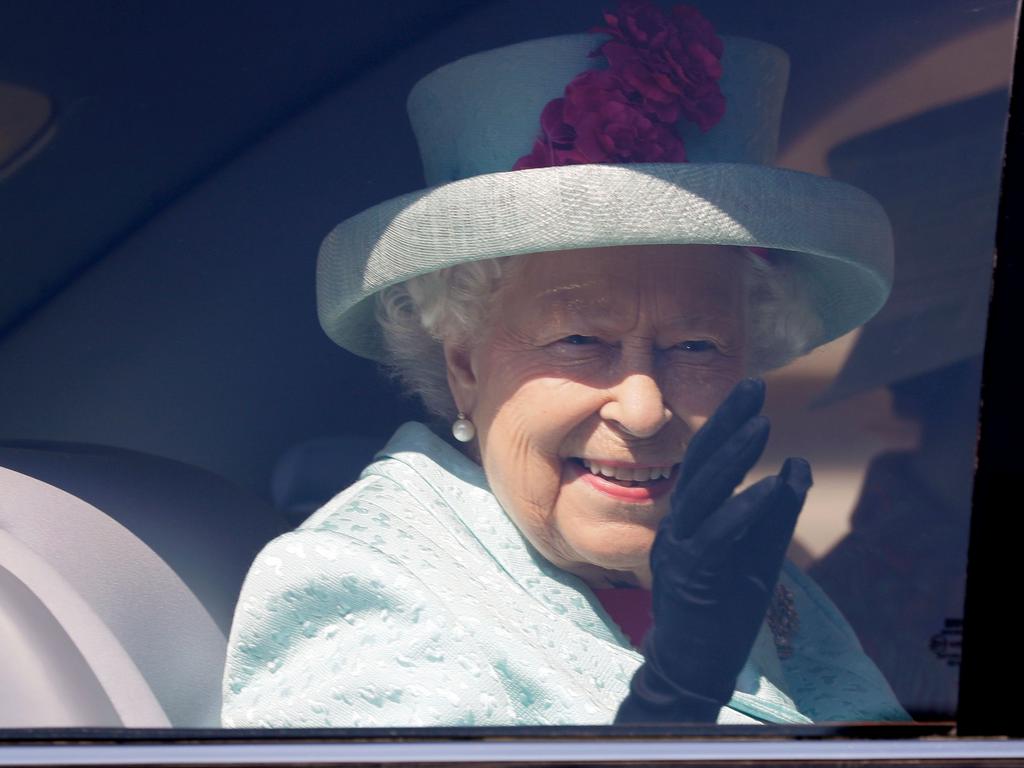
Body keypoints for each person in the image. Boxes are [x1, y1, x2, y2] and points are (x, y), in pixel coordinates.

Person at [222, 1, 906, 727]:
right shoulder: (357, 587)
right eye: (579, 341)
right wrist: (671, 705)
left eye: (695, 346)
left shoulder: (759, 583)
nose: (643, 411)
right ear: (463, 364)